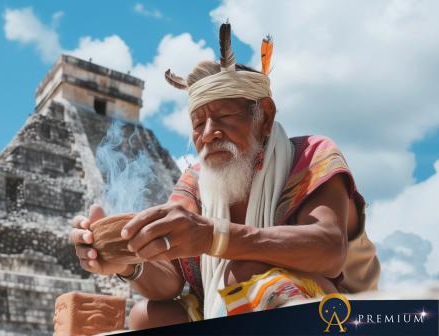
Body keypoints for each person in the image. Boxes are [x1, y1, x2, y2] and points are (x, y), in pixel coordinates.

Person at [69, 23, 380, 330]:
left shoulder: (312, 155)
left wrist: (213, 236)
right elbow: (169, 281)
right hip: (229, 308)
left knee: (248, 272)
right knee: (147, 315)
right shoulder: (196, 180)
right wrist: (128, 260)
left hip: (337, 314)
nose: (208, 134)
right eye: (198, 123)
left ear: (265, 116)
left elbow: (328, 249)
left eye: (224, 117)